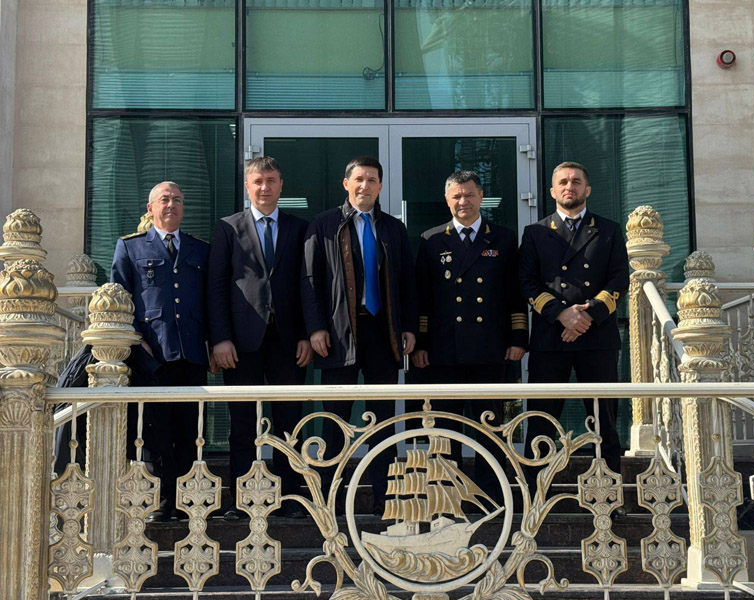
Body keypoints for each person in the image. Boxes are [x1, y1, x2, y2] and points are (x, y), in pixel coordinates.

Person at [301, 155, 417, 515]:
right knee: (335, 420)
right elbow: (310, 281)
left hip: (383, 333)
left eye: (372, 180)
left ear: (380, 186)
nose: (365, 185)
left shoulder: (394, 228)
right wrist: (316, 327)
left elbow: (407, 282)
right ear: (346, 184)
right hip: (338, 335)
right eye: (359, 179)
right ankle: (329, 499)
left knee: (384, 420)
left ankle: (386, 498)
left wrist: (409, 327)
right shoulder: (324, 224)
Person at [207, 156, 312, 519]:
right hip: (240, 342)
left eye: (271, 180)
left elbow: (308, 285)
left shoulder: (300, 228)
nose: (264, 187)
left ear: (281, 185)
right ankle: (242, 501)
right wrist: (220, 338)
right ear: (247, 187)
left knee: (289, 422)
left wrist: (306, 334)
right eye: (258, 181)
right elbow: (216, 286)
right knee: (243, 423)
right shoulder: (228, 228)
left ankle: (291, 499)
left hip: (288, 341)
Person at [412, 171, 527, 499]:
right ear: (447, 200)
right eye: (457, 196)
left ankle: (493, 494)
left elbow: (514, 293)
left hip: (489, 348)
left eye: (469, 195)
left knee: (489, 426)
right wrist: (420, 343)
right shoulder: (431, 239)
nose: (463, 202)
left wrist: (518, 337)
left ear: (481, 197)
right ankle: (447, 495)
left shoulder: (503, 238)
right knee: (444, 427)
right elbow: (422, 297)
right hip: (443, 350)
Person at [519, 162, 629, 497]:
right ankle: (534, 496)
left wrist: (586, 317)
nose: (570, 186)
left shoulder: (608, 230)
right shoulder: (536, 232)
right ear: (553, 191)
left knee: (604, 421)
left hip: (597, 339)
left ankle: (609, 496)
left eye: (576, 181)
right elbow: (527, 283)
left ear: (587, 189)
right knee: (541, 420)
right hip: (550, 339)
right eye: (563, 182)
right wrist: (562, 315)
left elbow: (618, 280)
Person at [110, 181, 211, 522]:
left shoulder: (200, 249)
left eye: (177, 200)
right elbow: (119, 299)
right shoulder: (130, 247)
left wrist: (214, 343)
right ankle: (164, 502)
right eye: (164, 200)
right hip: (153, 355)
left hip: (192, 353)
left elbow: (210, 302)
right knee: (157, 432)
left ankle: (190, 502)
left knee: (191, 431)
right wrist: (135, 340)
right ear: (151, 207)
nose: (171, 205)